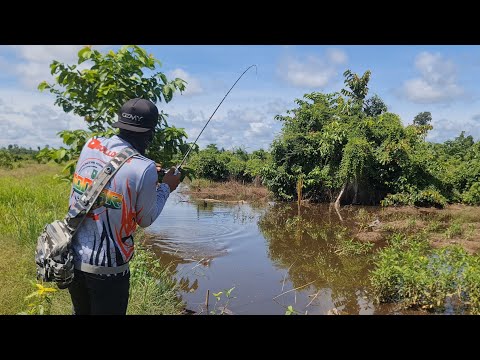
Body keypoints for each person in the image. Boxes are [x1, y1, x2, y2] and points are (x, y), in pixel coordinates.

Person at [67, 98, 181, 315]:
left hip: (73, 256)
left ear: (119, 124)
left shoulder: (91, 144)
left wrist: (145, 171)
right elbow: (145, 219)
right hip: (109, 268)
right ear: (150, 132)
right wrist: (166, 187)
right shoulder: (144, 167)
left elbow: (111, 172)